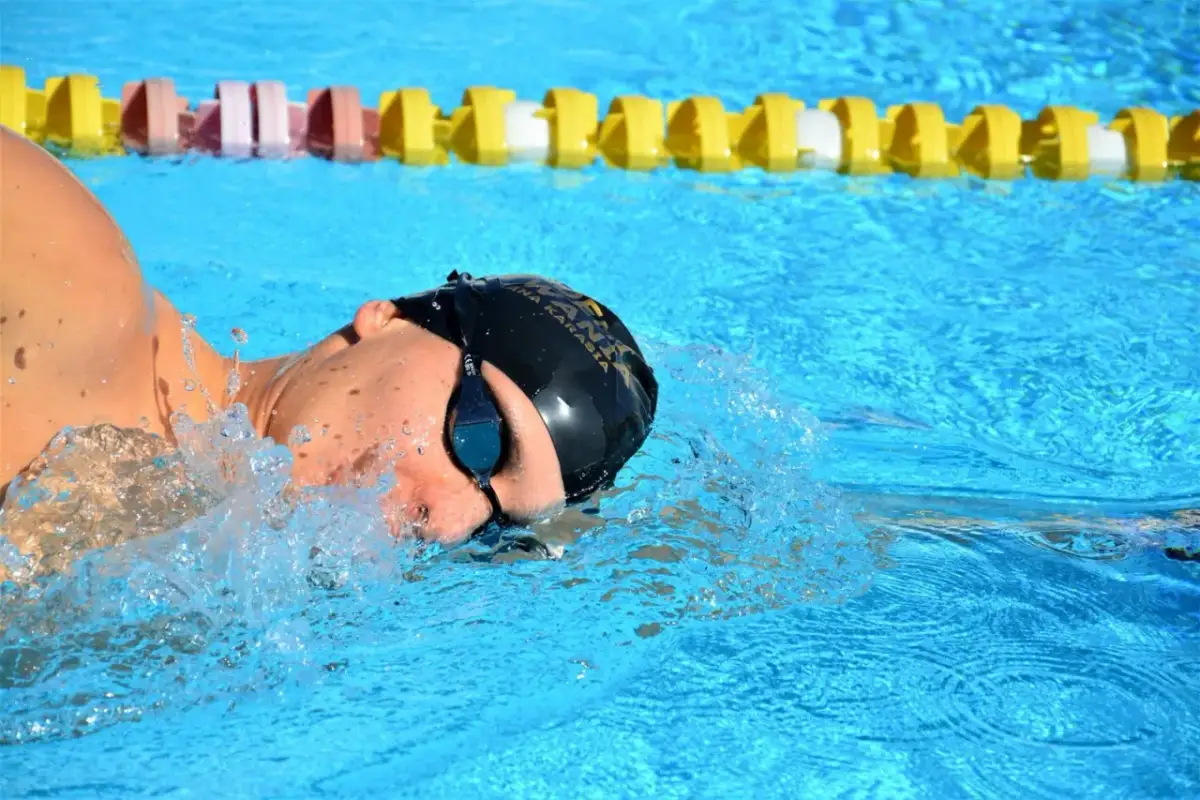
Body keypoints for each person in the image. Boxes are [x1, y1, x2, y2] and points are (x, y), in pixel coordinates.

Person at [0, 124, 659, 559]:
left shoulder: (216, 593)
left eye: (494, 522)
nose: (446, 522)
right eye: (480, 438)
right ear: (386, 319)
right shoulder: (72, 285)